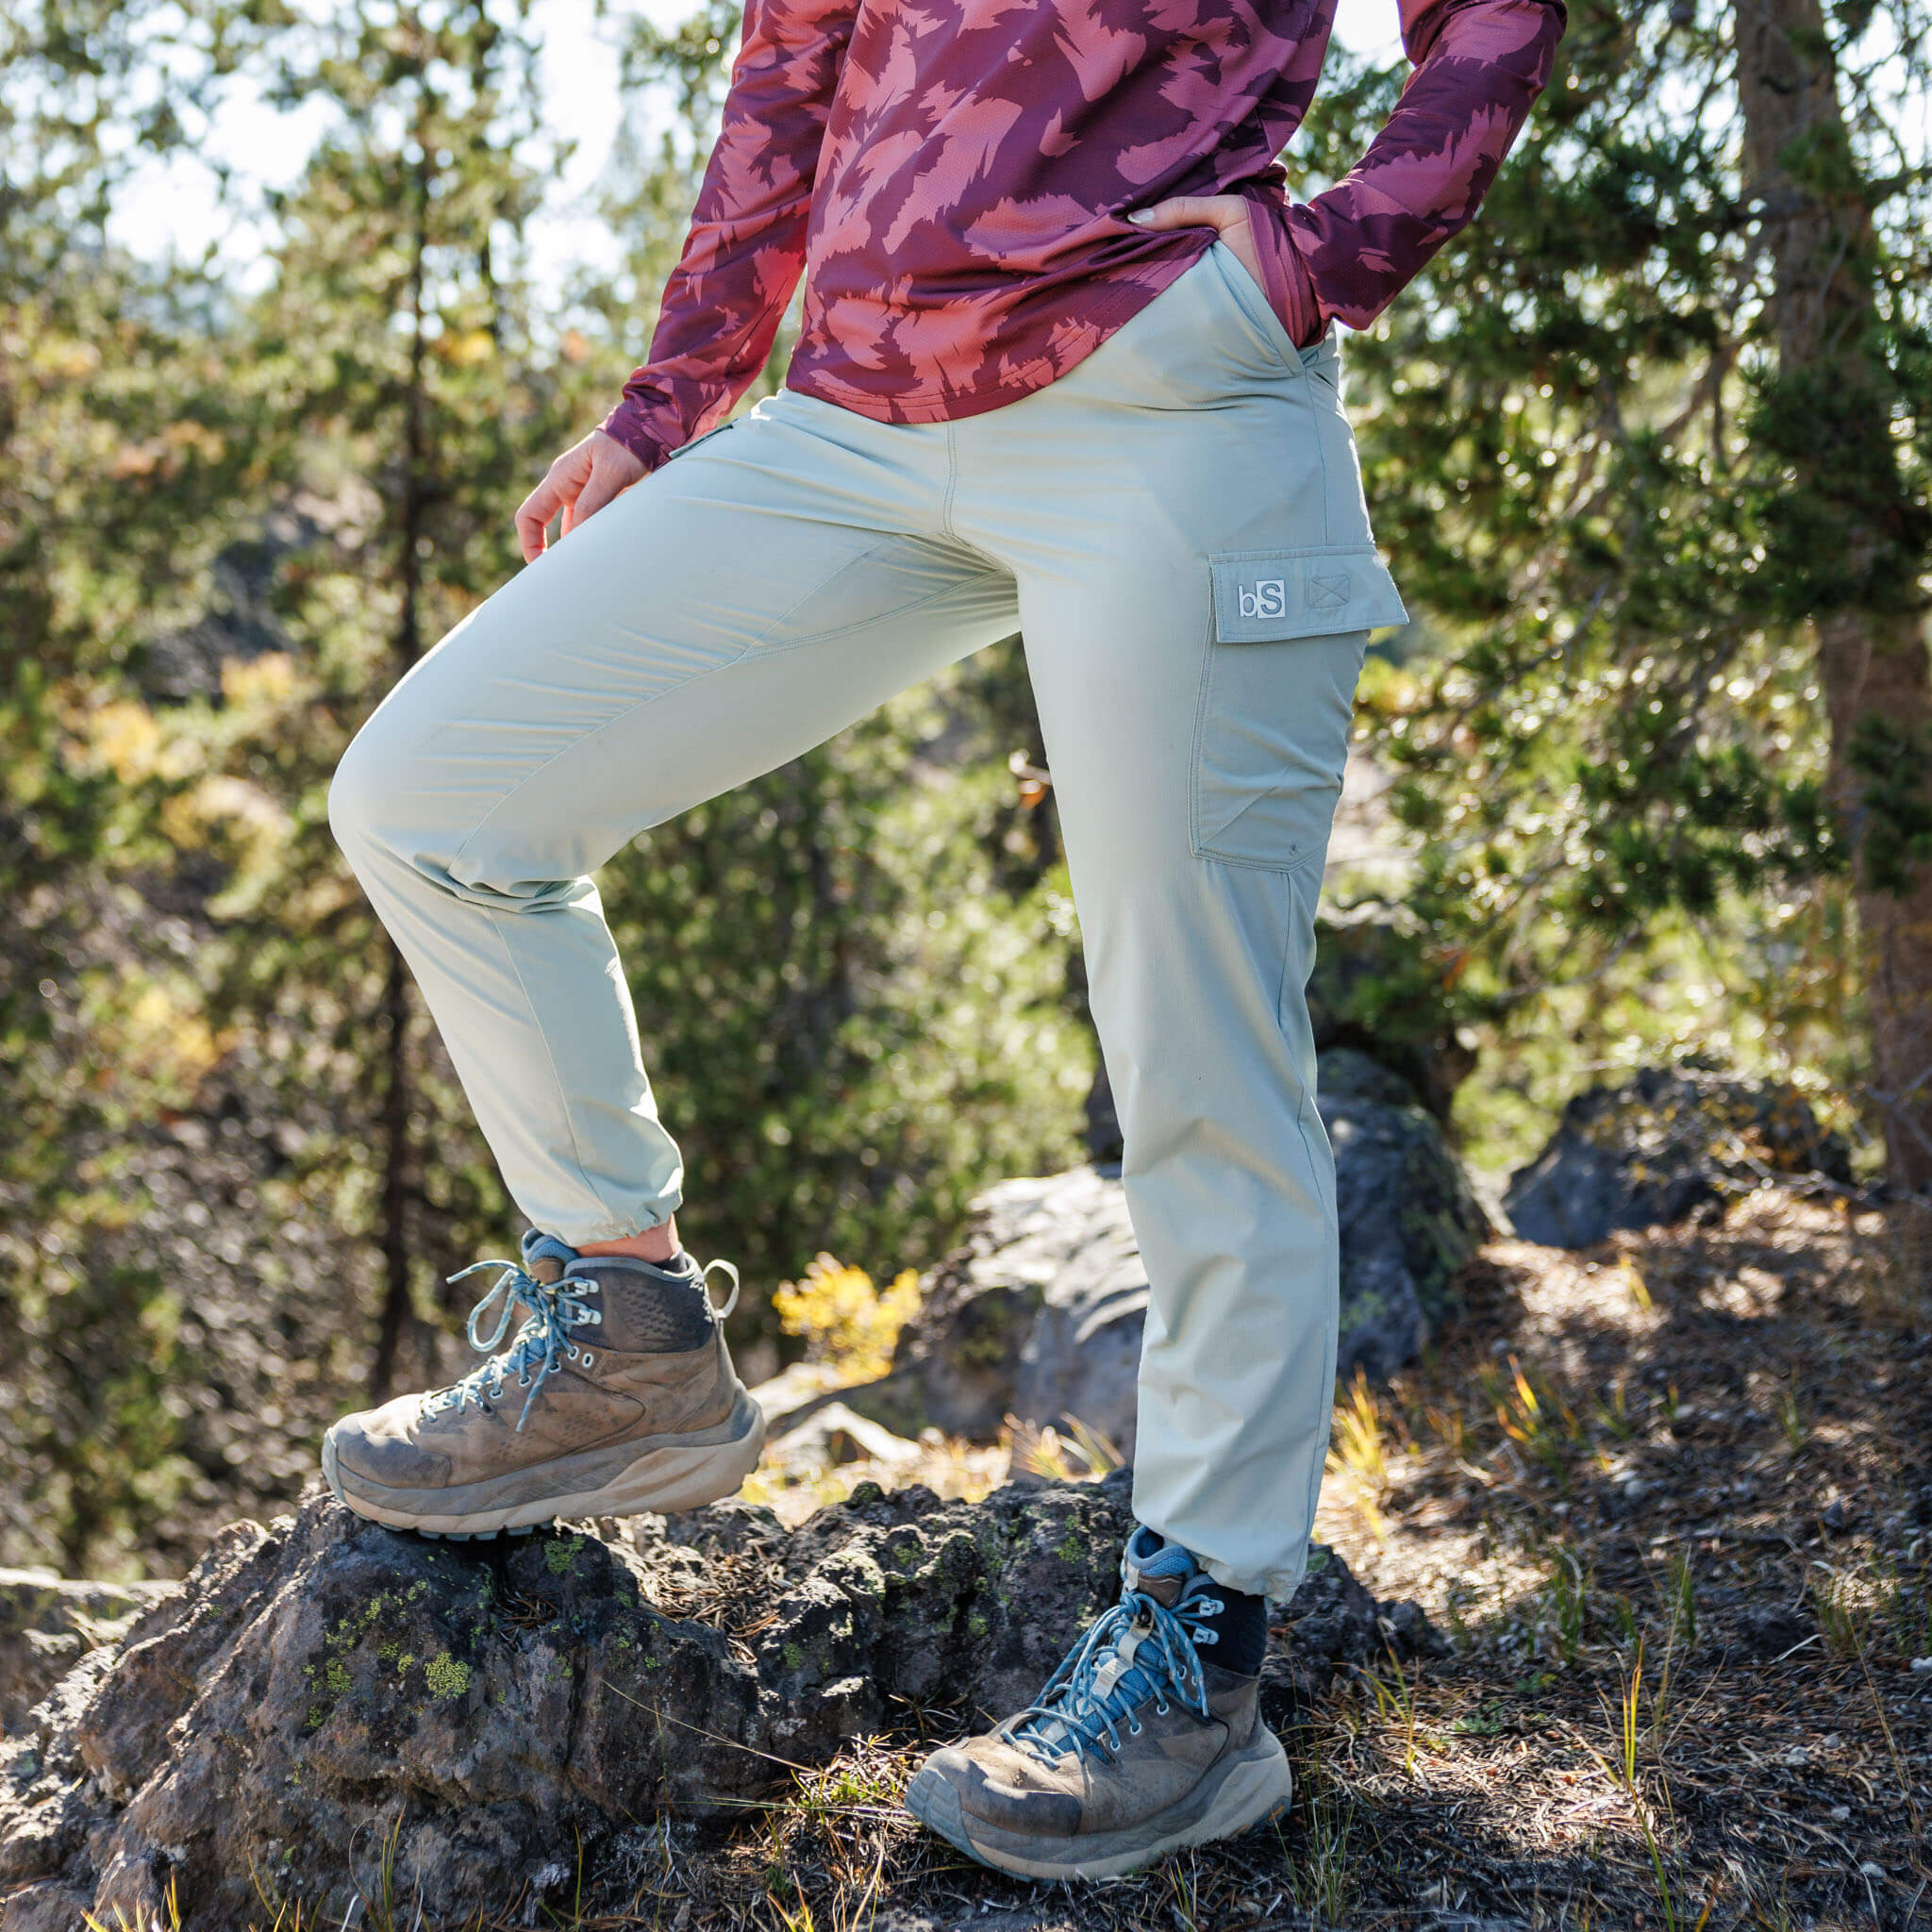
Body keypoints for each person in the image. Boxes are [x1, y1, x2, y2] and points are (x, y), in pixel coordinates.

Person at [320, 0, 1564, 1878]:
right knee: (431, 795)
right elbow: (793, 62)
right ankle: (624, 1327)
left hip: (1173, 407)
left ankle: (1195, 1656)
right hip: (853, 426)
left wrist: (1335, 245)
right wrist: (672, 397)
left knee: (1198, 1065)